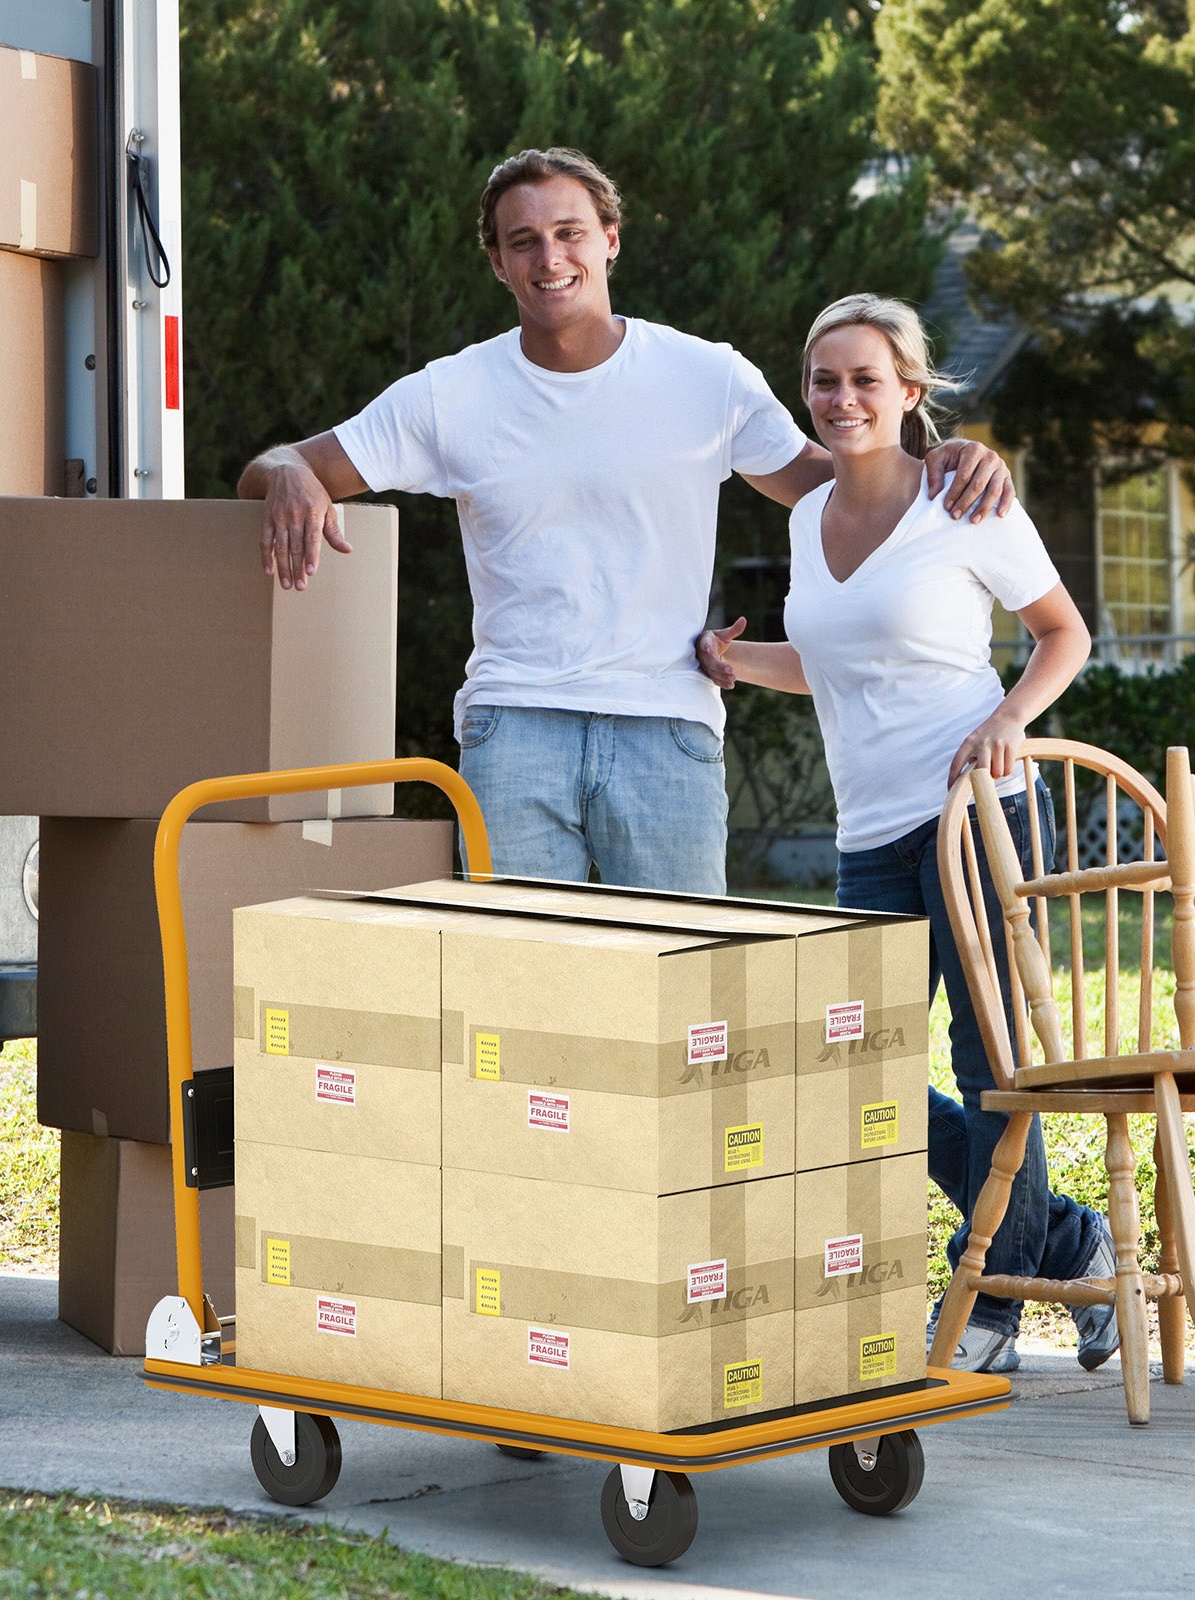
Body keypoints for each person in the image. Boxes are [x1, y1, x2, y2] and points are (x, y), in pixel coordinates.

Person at [238, 147, 1013, 895]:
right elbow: (268, 468)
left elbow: (838, 482)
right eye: (525, 241)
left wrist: (947, 457)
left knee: (684, 997)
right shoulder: (450, 394)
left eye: (570, 233)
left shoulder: (707, 377)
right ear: (498, 263)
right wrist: (292, 476)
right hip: (515, 729)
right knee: (527, 991)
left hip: (666, 726)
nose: (550, 257)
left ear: (609, 241)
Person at [695, 293, 1115, 1374]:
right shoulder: (804, 518)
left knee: (990, 1069)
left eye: (865, 380)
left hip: (974, 820)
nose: (842, 398)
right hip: (867, 833)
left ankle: (991, 1307)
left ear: (910, 394)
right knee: (852, 1072)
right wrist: (739, 662)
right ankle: (1065, 1240)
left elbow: (1063, 633)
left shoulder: (961, 503)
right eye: (824, 380)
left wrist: (1005, 721)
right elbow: (835, 663)